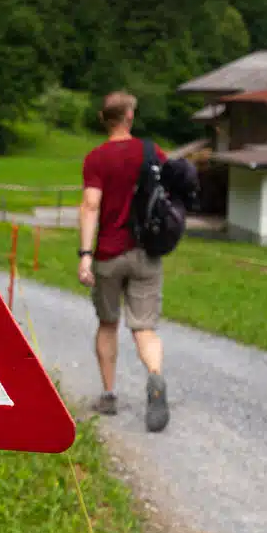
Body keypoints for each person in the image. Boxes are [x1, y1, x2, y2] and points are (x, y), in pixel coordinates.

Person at [77, 91, 171, 432]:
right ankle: (156, 376)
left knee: (107, 323)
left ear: (104, 119)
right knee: (144, 327)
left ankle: (109, 394)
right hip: (146, 252)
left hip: (108, 254)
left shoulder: (96, 159)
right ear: (130, 116)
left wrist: (85, 256)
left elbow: (90, 206)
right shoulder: (151, 151)